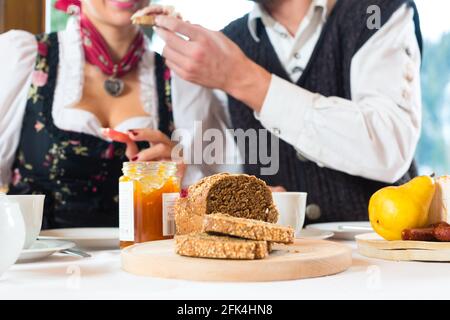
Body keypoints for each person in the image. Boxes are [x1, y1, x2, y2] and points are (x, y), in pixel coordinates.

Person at [155, 0, 423, 222]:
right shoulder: (227, 43)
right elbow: (218, 168)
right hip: (274, 267)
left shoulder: (376, 13)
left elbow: (389, 146)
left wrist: (243, 79)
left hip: (381, 264)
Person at [0, 0, 216, 228]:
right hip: (38, 261)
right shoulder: (19, 58)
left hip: (142, 262)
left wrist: (184, 178)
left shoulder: (183, 80)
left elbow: (213, 213)